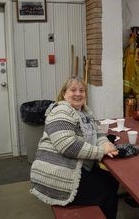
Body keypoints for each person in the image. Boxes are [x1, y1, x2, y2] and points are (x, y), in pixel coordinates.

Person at [29, 77, 119, 219]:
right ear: (64, 94)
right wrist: (101, 151)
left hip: (77, 165)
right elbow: (68, 146)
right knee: (106, 191)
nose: (78, 93)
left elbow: (98, 132)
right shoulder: (61, 111)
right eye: (73, 90)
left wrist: (105, 143)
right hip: (58, 172)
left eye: (82, 90)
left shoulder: (85, 112)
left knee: (111, 180)